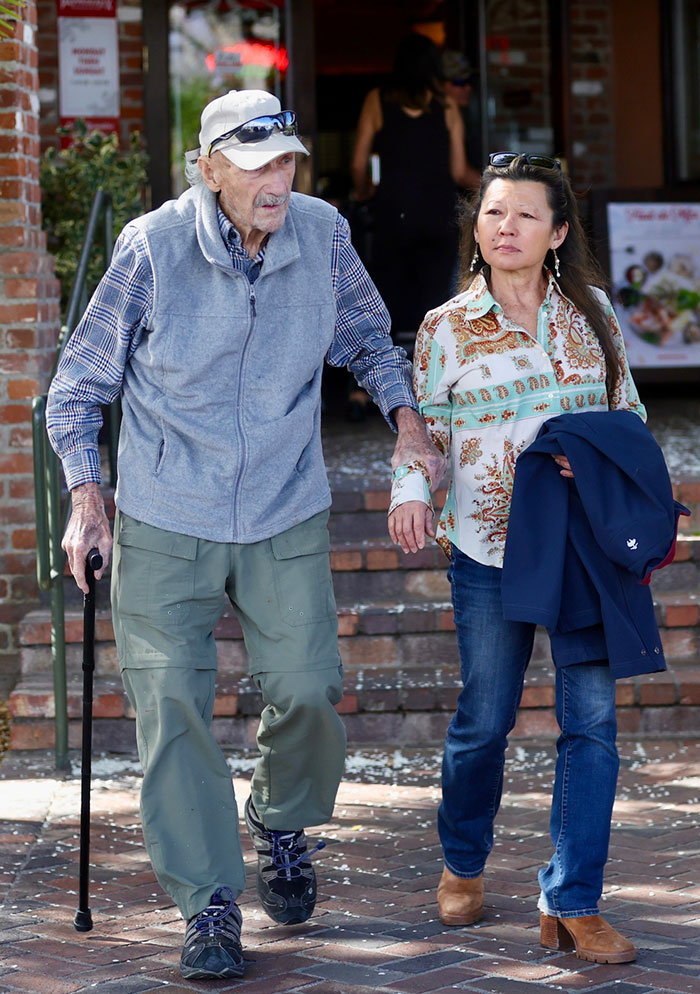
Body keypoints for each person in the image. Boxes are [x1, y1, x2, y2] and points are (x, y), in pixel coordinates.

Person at [46, 88, 443, 982]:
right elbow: (76, 390)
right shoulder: (150, 248)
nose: (278, 180)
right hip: (165, 512)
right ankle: (210, 904)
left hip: (281, 504)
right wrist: (88, 500)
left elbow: (371, 342)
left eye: (287, 161)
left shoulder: (324, 234)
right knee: (172, 711)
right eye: (257, 163)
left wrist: (408, 421)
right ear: (209, 167)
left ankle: (281, 819)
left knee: (306, 690)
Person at [388, 152, 647, 964]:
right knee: (485, 721)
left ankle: (573, 899)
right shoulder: (445, 327)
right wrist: (410, 489)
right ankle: (463, 861)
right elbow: (424, 435)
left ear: (558, 232)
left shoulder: (595, 314)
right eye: (495, 212)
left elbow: (630, 420)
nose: (507, 227)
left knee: (593, 726)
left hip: (583, 554)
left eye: (527, 214)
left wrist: (594, 459)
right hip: (488, 550)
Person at [351, 33, 480, 360]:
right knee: (437, 304)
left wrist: (365, 190)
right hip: (439, 213)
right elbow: (459, 172)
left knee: (385, 302)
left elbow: (358, 162)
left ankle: (367, 390)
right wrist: (504, 186)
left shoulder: (376, 100)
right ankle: (435, 380)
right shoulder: (447, 105)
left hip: (394, 213)